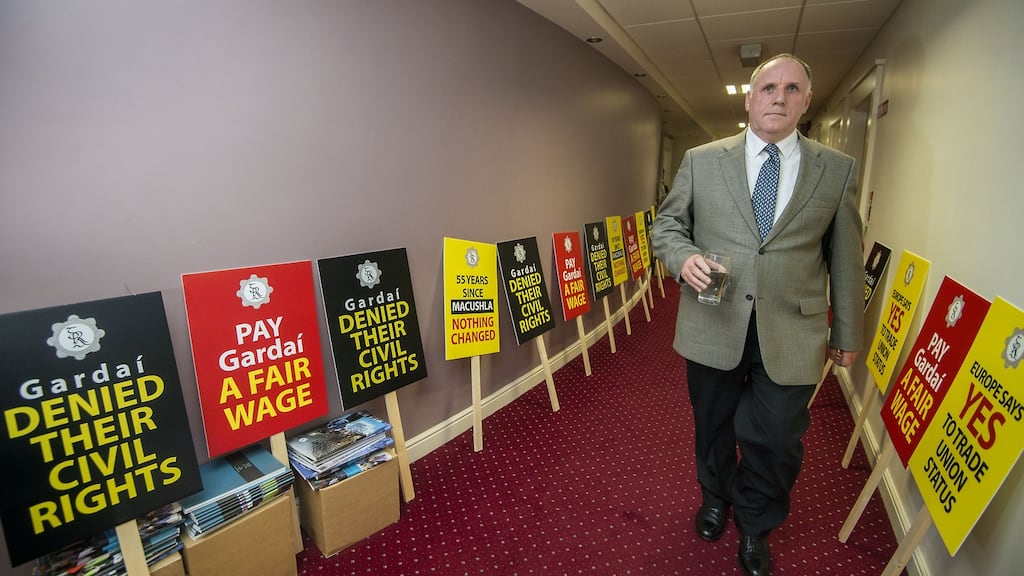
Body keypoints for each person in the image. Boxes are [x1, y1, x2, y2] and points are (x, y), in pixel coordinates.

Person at [651, 54, 863, 576]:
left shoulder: (836, 170)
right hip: (713, 319)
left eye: (792, 89)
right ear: (749, 99)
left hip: (794, 328)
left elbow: (845, 257)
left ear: (806, 101)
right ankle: (715, 496)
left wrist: (847, 330)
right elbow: (667, 226)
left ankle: (755, 521)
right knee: (713, 425)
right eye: (768, 88)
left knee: (776, 437)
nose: (778, 98)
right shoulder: (703, 160)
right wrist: (683, 257)